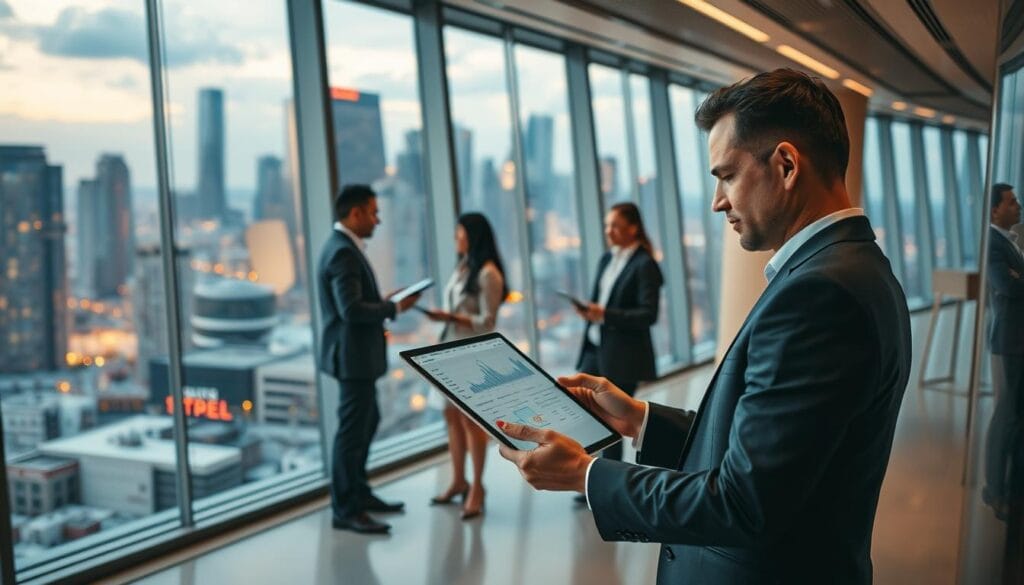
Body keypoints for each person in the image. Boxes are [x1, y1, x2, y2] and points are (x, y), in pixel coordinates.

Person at [497, 68, 912, 583]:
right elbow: (768, 452)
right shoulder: (851, 268)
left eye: (727, 175)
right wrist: (640, 420)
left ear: (786, 164)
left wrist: (585, 474)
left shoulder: (820, 294)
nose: (718, 201)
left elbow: (744, 502)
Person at [317, 184, 420, 534]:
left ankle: (359, 495)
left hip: (356, 358)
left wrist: (384, 300)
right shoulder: (343, 253)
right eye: (373, 213)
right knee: (351, 433)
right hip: (352, 359)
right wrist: (393, 308)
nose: (378, 220)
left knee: (367, 422)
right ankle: (346, 510)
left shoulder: (343, 248)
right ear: (355, 213)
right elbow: (350, 310)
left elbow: (354, 301)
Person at [424, 213, 507, 520]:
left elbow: (488, 322)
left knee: (471, 423)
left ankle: (478, 487)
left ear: (473, 235)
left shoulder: (488, 274)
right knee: (451, 417)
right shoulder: (464, 268)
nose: (456, 238)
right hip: (448, 353)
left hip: (470, 357)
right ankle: (459, 480)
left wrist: (450, 317)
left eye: (459, 232)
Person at [574, 203, 662, 473]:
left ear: (633, 228)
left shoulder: (644, 264)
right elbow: (602, 301)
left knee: (611, 423)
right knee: (585, 413)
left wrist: (605, 314)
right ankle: (589, 475)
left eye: (615, 225)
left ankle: (607, 480)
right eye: (606, 225)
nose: (608, 231)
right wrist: (590, 312)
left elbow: (648, 314)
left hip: (623, 356)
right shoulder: (607, 258)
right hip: (595, 348)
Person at [983, 183, 1024, 520]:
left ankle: (1007, 489)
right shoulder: (993, 243)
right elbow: (1006, 285)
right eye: (1012, 202)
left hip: (1017, 341)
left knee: (1014, 418)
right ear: (995, 210)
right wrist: (1016, 278)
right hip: (1009, 342)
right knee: (1006, 417)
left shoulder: (1009, 242)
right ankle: (995, 491)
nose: (1019, 206)